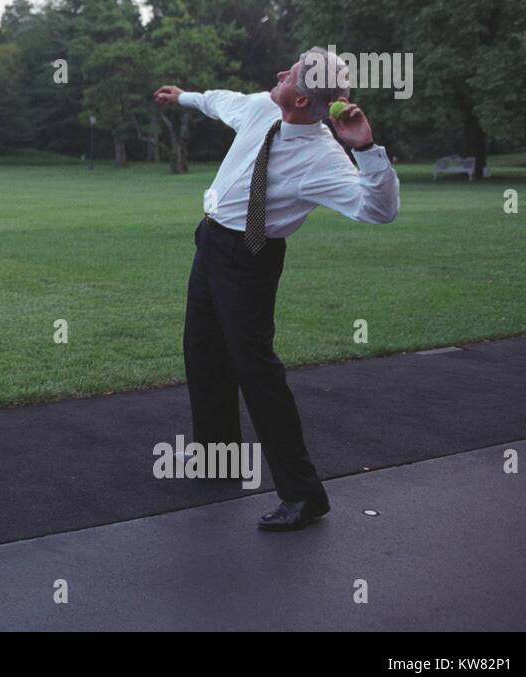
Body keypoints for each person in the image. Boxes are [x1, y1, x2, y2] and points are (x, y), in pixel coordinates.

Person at [154, 46, 400, 531]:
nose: (279, 72)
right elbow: (221, 102)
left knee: (257, 372)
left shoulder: (324, 158)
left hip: (251, 259)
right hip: (210, 244)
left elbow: (379, 211)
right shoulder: (262, 106)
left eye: (290, 75)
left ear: (303, 102)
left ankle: (304, 496)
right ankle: (217, 460)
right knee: (202, 353)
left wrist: (366, 150)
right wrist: (185, 96)